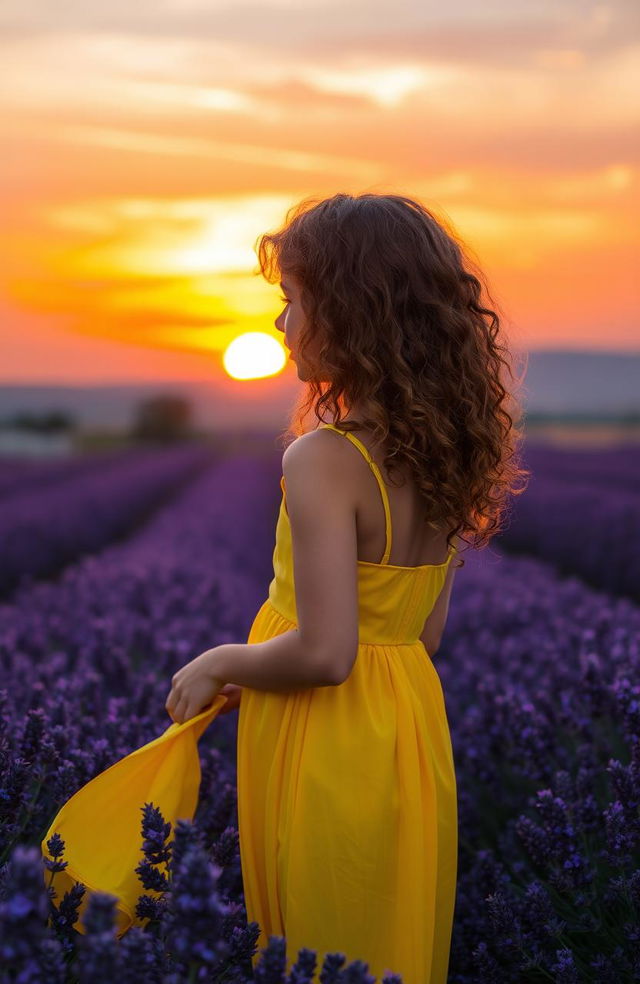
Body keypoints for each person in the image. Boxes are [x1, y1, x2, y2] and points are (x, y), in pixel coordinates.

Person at [165, 193, 529, 983]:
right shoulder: (442, 451)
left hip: (327, 740)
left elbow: (328, 653)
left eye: (291, 303)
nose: (279, 326)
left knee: (317, 943)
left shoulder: (325, 458)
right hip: (406, 731)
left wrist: (224, 659)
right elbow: (415, 637)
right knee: (389, 937)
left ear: (351, 312)